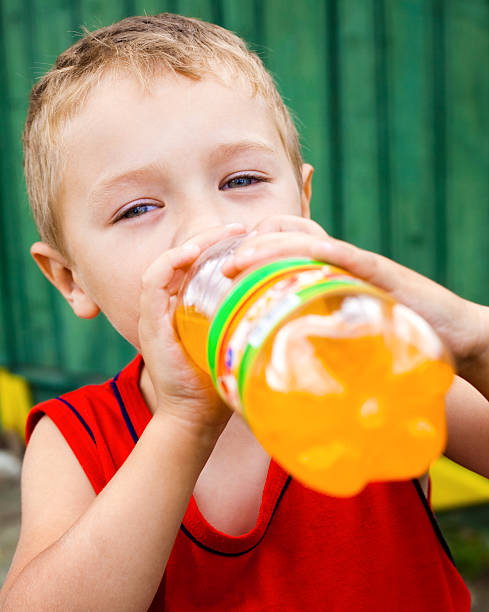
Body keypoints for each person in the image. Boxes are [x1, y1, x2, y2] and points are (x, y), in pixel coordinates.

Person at [0, 13, 487, 611]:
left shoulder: (363, 353)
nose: (210, 228)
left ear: (303, 203)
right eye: (137, 209)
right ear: (72, 279)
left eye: (242, 179)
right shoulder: (80, 439)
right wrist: (183, 423)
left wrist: (473, 340)